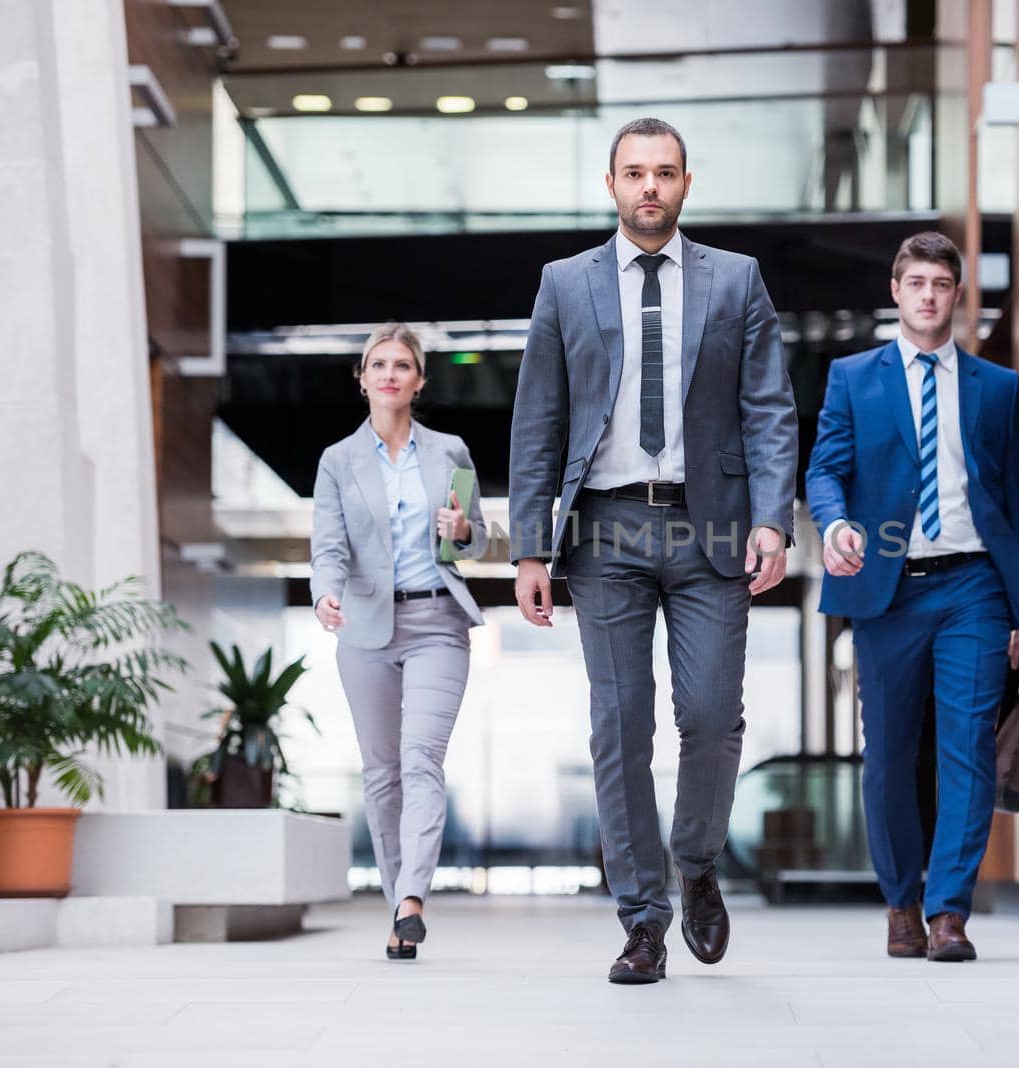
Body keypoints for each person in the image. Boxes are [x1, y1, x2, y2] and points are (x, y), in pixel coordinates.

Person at [508, 117, 797, 984]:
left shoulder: (737, 281)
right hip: (604, 527)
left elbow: (770, 410)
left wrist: (773, 520)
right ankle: (641, 917)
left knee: (710, 715)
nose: (649, 188)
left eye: (664, 173)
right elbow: (539, 421)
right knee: (619, 724)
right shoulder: (565, 285)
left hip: (712, 526)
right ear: (611, 185)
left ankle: (698, 858)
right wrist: (530, 547)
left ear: (685, 183)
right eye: (634, 173)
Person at [804, 232, 1019, 963]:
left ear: (957, 293)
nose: (930, 295)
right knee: (887, 758)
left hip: (974, 584)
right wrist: (836, 524)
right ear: (897, 291)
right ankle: (901, 902)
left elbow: (1013, 498)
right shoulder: (853, 377)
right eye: (917, 283)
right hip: (887, 587)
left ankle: (948, 911)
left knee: (967, 746)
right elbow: (825, 469)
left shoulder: (996, 387)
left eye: (942, 283)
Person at [310, 322, 488, 961]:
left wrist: (463, 527)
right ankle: (397, 909)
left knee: (420, 762)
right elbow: (328, 546)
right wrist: (325, 593)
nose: (389, 374)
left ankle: (412, 897)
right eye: (377, 364)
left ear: (418, 381)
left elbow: (477, 539)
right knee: (383, 775)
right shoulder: (338, 460)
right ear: (362, 379)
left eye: (402, 365)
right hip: (363, 629)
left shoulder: (450, 452)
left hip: (438, 621)